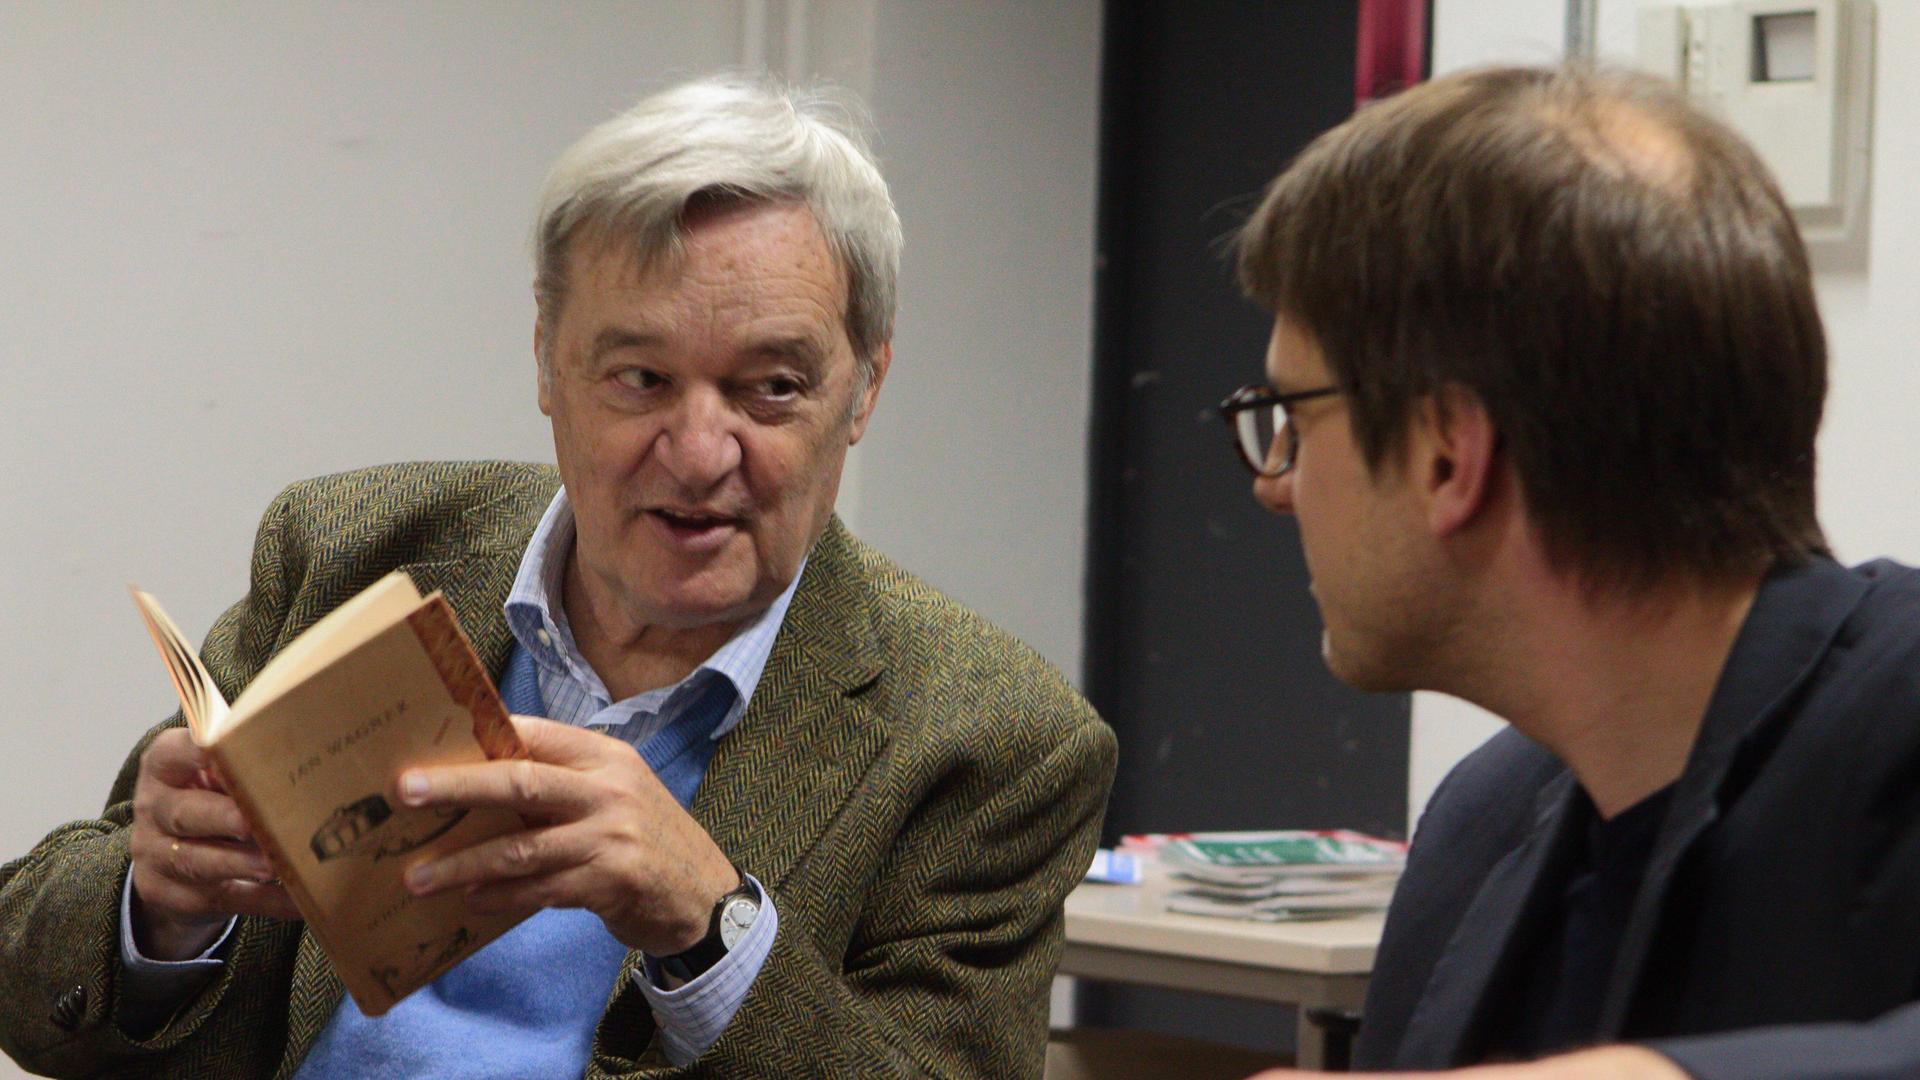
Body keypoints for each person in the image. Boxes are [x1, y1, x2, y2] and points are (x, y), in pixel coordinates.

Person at [0, 75, 1115, 1078]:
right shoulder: (354, 553)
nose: (699, 454)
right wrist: (160, 908)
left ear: (864, 387)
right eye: (640, 378)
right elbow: (31, 987)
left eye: (770, 388)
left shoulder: (990, 739)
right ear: (547, 358)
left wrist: (710, 927)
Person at [1227, 66, 1920, 1078]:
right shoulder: (1481, 826)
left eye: (1296, 416)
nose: (1275, 484)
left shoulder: (1901, 710)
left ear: (1447, 454)